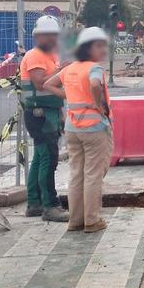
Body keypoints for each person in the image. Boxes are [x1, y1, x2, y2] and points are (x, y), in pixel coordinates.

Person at [43, 27, 112, 233]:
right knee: (92, 175)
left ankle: (75, 220)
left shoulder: (70, 68)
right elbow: (94, 85)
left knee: (76, 174)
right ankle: (91, 220)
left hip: (72, 129)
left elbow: (48, 84)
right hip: (94, 128)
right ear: (88, 48)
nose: (102, 50)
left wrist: (70, 98)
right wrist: (98, 105)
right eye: (99, 46)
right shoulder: (94, 68)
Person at [21, 15, 68, 222]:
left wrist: (60, 112)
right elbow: (40, 83)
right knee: (48, 159)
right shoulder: (35, 56)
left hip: (48, 112)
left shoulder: (50, 56)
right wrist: (62, 69)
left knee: (41, 158)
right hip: (39, 114)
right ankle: (50, 206)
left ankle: (34, 202)